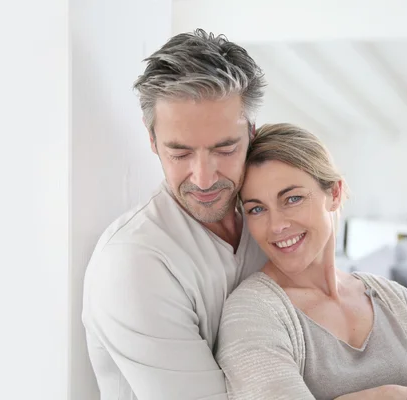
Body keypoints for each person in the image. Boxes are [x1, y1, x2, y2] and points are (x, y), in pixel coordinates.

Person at [215, 123, 407, 400]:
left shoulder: (394, 300)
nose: (276, 225)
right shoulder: (253, 312)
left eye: (292, 199)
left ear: (334, 193)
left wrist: (403, 396)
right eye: (256, 209)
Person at [82, 30, 268, 400]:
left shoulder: (268, 222)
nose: (204, 178)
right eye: (180, 153)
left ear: (251, 133)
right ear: (152, 140)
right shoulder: (134, 262)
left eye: (226, 148)